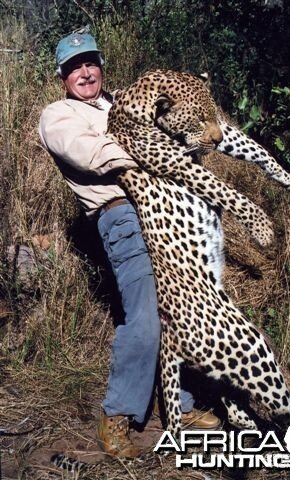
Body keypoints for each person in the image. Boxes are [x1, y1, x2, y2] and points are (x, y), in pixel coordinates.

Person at [39, 30, 220, 458]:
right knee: (144, 317)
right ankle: (117, 417)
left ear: (101, 65)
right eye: (74, 68)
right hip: (121, 214)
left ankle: (182, 405)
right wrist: (152, 151)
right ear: (63, 77)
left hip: (168, 208)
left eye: (90, 63)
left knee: (178, 312)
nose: (85, 73)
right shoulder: (58, 115)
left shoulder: (122, 101)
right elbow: (94, 155)